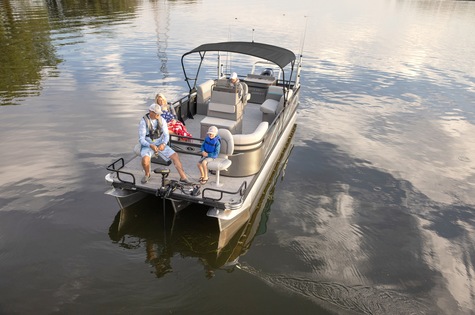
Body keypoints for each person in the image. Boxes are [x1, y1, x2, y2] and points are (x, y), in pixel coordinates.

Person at [138, 103, 190, 184]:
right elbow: (141, 139)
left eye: (159, 113)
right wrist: (150, 145)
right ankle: (147, 174)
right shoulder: (143, 122)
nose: (159, 115)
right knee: (145, 160)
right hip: (148, 145)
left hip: (160, 143)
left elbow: (166, 135)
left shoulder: (162, 120)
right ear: (151, 112)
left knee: (175, 156)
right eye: (157, 113)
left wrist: (164, 144)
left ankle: (183, 177)